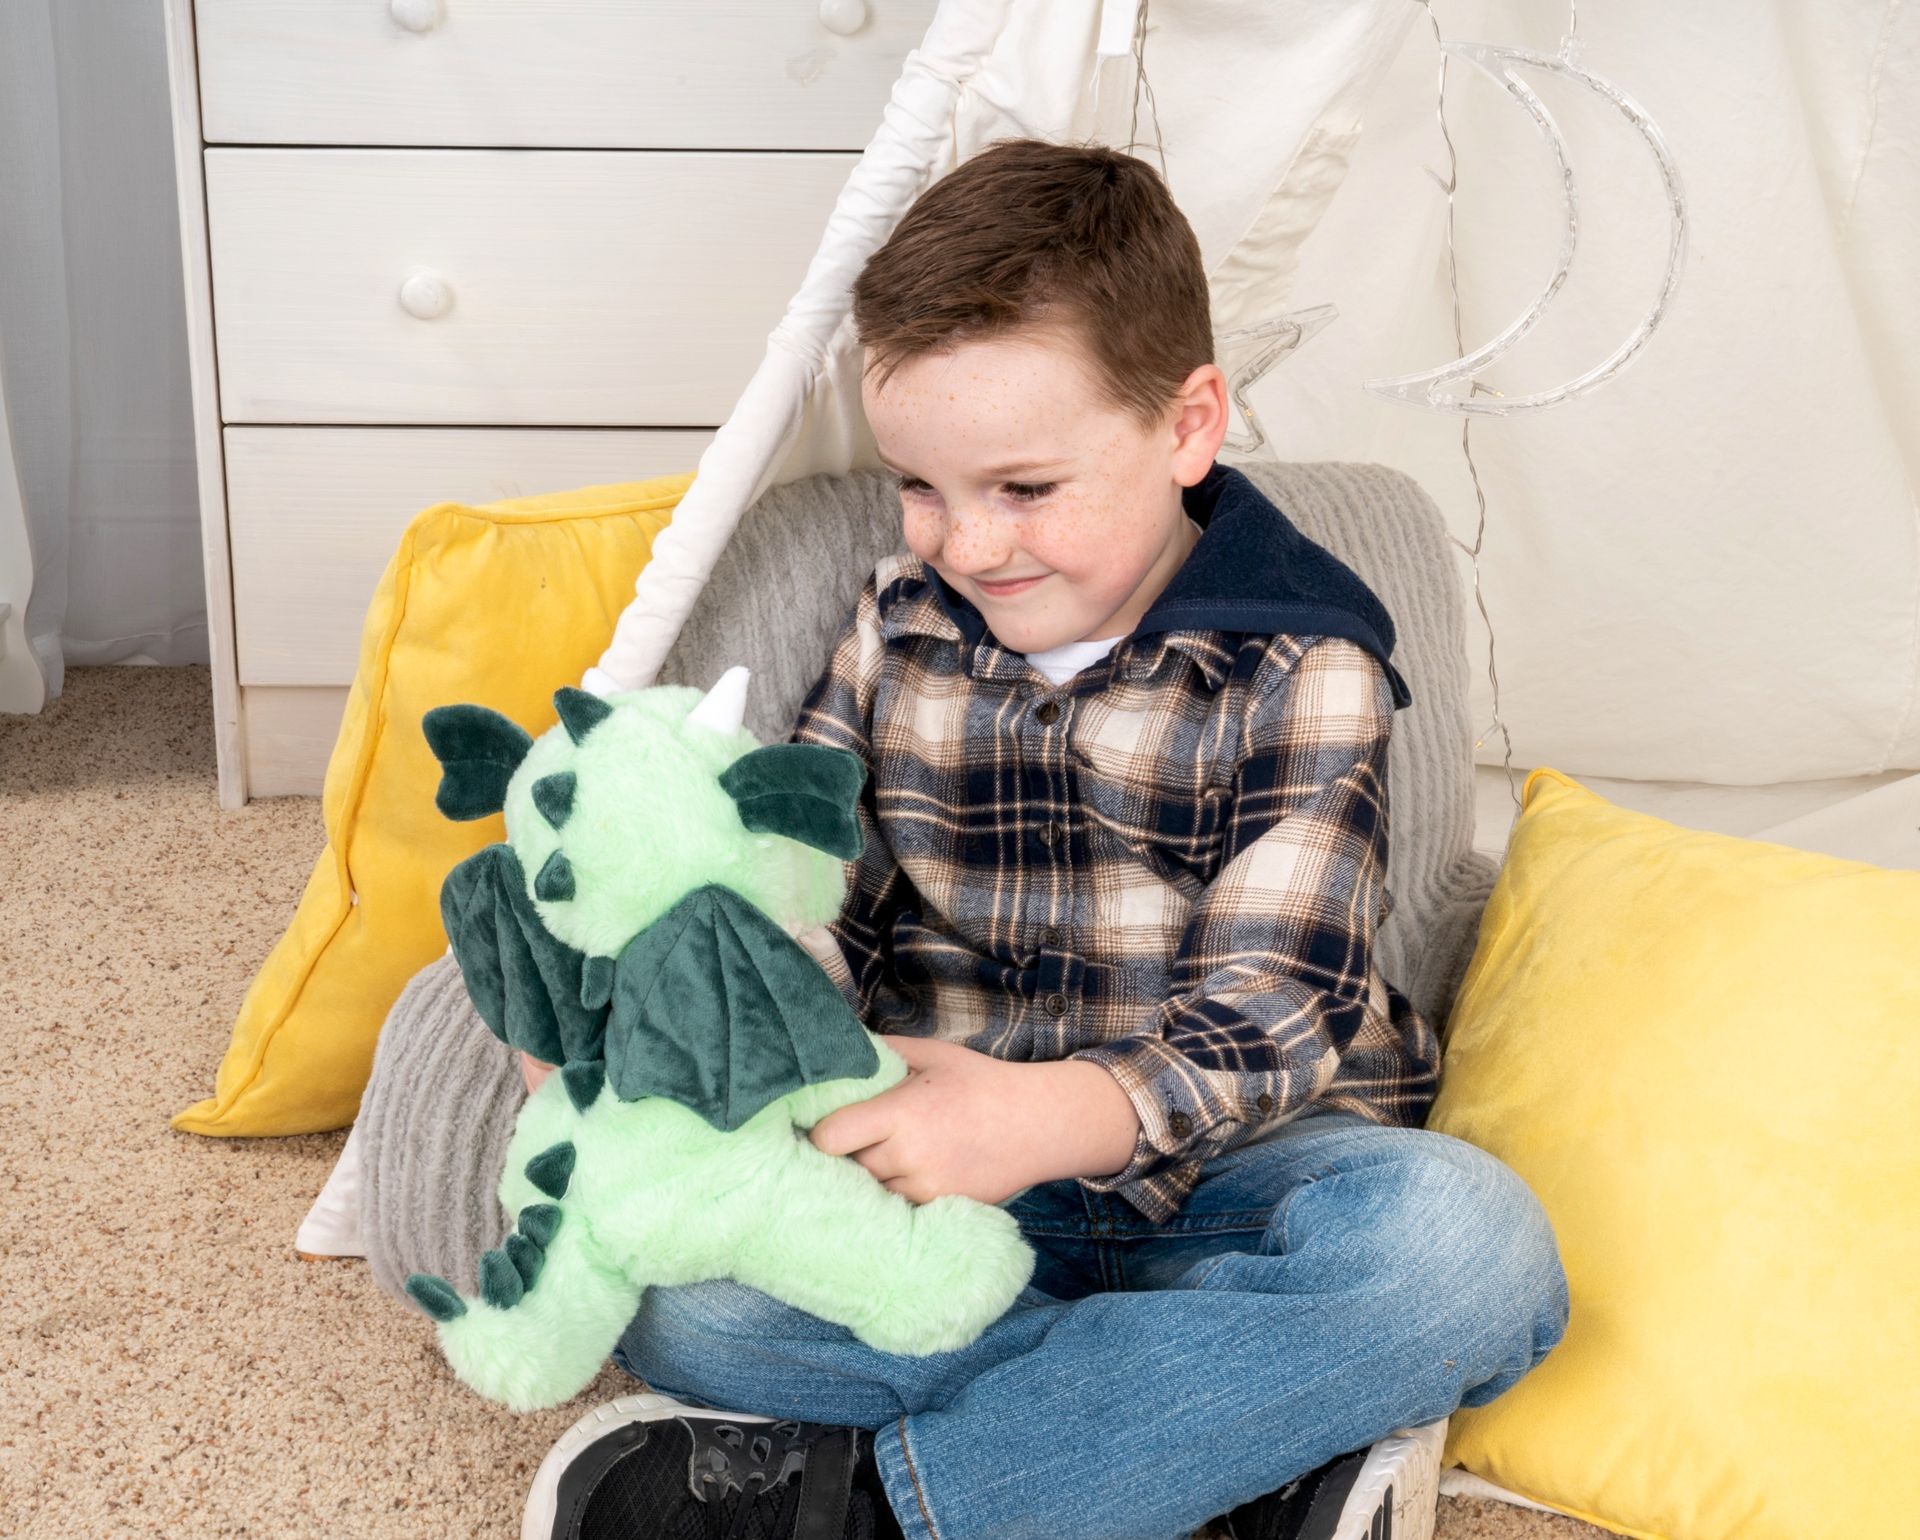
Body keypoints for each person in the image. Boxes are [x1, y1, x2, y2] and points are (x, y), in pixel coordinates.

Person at [517, 137, 1570, 1540]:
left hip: (1236, 1173)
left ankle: (902, 1506)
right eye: (923, 486)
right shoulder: (903, 620)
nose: (968, 542)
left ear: (1190, 425)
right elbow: (802, 882)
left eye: (1024, 488)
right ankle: (1227, 1455)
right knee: (677, 1291)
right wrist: (692, 1042)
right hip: (937, 1173)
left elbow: (1284, 1001)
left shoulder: (1304, 658)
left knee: (1467, 1255)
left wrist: (1052, 1115)